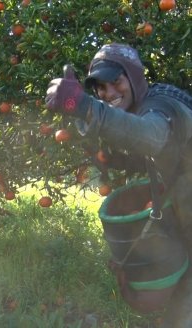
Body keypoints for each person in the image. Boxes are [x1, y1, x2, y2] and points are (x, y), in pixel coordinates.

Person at [45, 43, 192, 327]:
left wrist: (85, 106)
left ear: (135, 79)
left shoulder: (161, 107)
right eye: (100, 88)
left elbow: (151, 136)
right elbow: (166, 152)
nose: (109, 93)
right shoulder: (146, 106)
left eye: (116, 81)